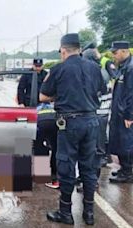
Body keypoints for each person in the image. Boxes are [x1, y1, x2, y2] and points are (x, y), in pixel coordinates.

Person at [40, 33, 104, 226]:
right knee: (89, 167)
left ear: (64, 50)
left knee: (66, 166)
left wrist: (60, 95)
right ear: (79, 49)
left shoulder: (59, 69)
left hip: (70, 123)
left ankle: (65, 212)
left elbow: (43, 97)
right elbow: (101, 90)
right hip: (92, 121)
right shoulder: (94, 68)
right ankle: (89, 213)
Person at [82, 42, 118, 166]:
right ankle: (105, 156)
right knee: (102, 135)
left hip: (100, 108)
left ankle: (101, 157)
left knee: (99, 137)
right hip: (103, 108)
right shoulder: (100, 70)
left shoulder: (98, 72)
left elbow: (96, 92)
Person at [108, 41, 133, 183]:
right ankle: (124, 168)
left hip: (126, 114)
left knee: (126, 142)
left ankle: (128, 172)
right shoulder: (123, 67)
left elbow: (131, 94)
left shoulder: (130, 68)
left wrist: (130, 115)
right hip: (119, 112)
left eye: (115, 52)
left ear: (124, 51)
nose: (113, 55)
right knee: (120, 142)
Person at [36, 102, 59, 189]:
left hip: (40, 122)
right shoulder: (52, 106)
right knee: (55, 148)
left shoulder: (37, 108)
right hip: (54, 121)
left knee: (39, 145)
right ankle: (54, 174)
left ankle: (41, 174)